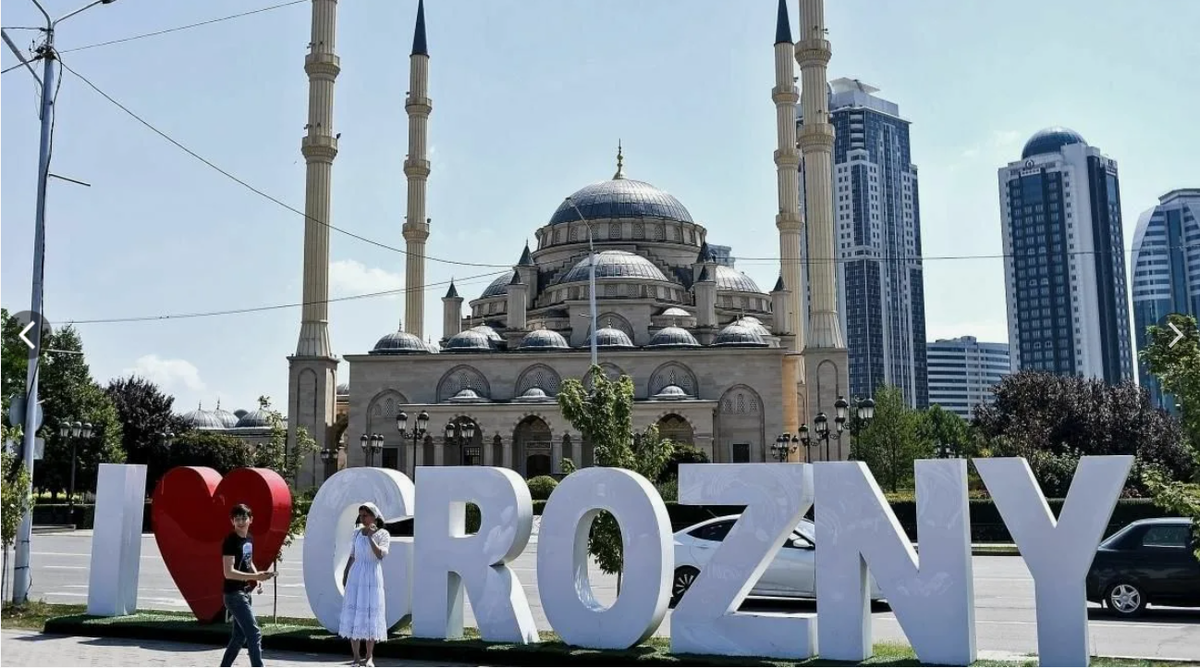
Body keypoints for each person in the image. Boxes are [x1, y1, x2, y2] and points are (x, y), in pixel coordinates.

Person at [220, 503, 275, 667]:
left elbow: (248, 561)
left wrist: (258, 579)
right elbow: (228, 572)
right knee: (254, 633)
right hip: (233, 595)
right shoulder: (230, 541)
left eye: (244, 518)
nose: (241, 522)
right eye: (237, 519)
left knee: (239, 636)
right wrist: (255, 576)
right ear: (232, 521)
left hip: (245, 592)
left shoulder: (249, 538)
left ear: (251, 519)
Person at [339, 502, 391, 667]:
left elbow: (380, 555)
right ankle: (356, 657)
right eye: (360, 516)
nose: (362, 519)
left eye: (365, 515)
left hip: (372, 576)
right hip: (356, 575)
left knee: (370, 614)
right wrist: (345, 574)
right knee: (354, 613)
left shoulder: (383, 534)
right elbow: (352, 555)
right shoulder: (356, 533)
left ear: (374, 516)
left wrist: (370, 537)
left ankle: (369, 656)